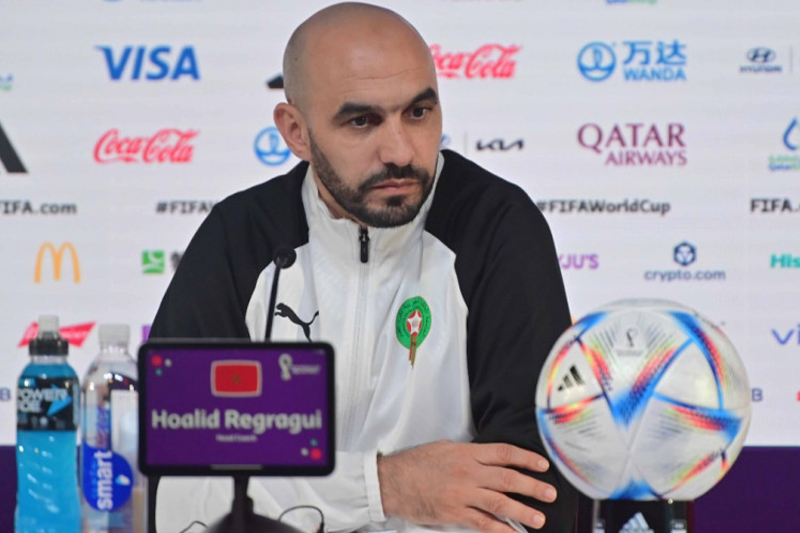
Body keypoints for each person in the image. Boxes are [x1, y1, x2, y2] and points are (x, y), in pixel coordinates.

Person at [150, 3, 577, 532]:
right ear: (296, 131)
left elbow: (534, 499)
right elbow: (175, 497)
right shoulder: (239, 240)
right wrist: (386, 486)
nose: (399, 151)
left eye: (418, 113)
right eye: (361, 121)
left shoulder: (496, 227)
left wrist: (296, 490)